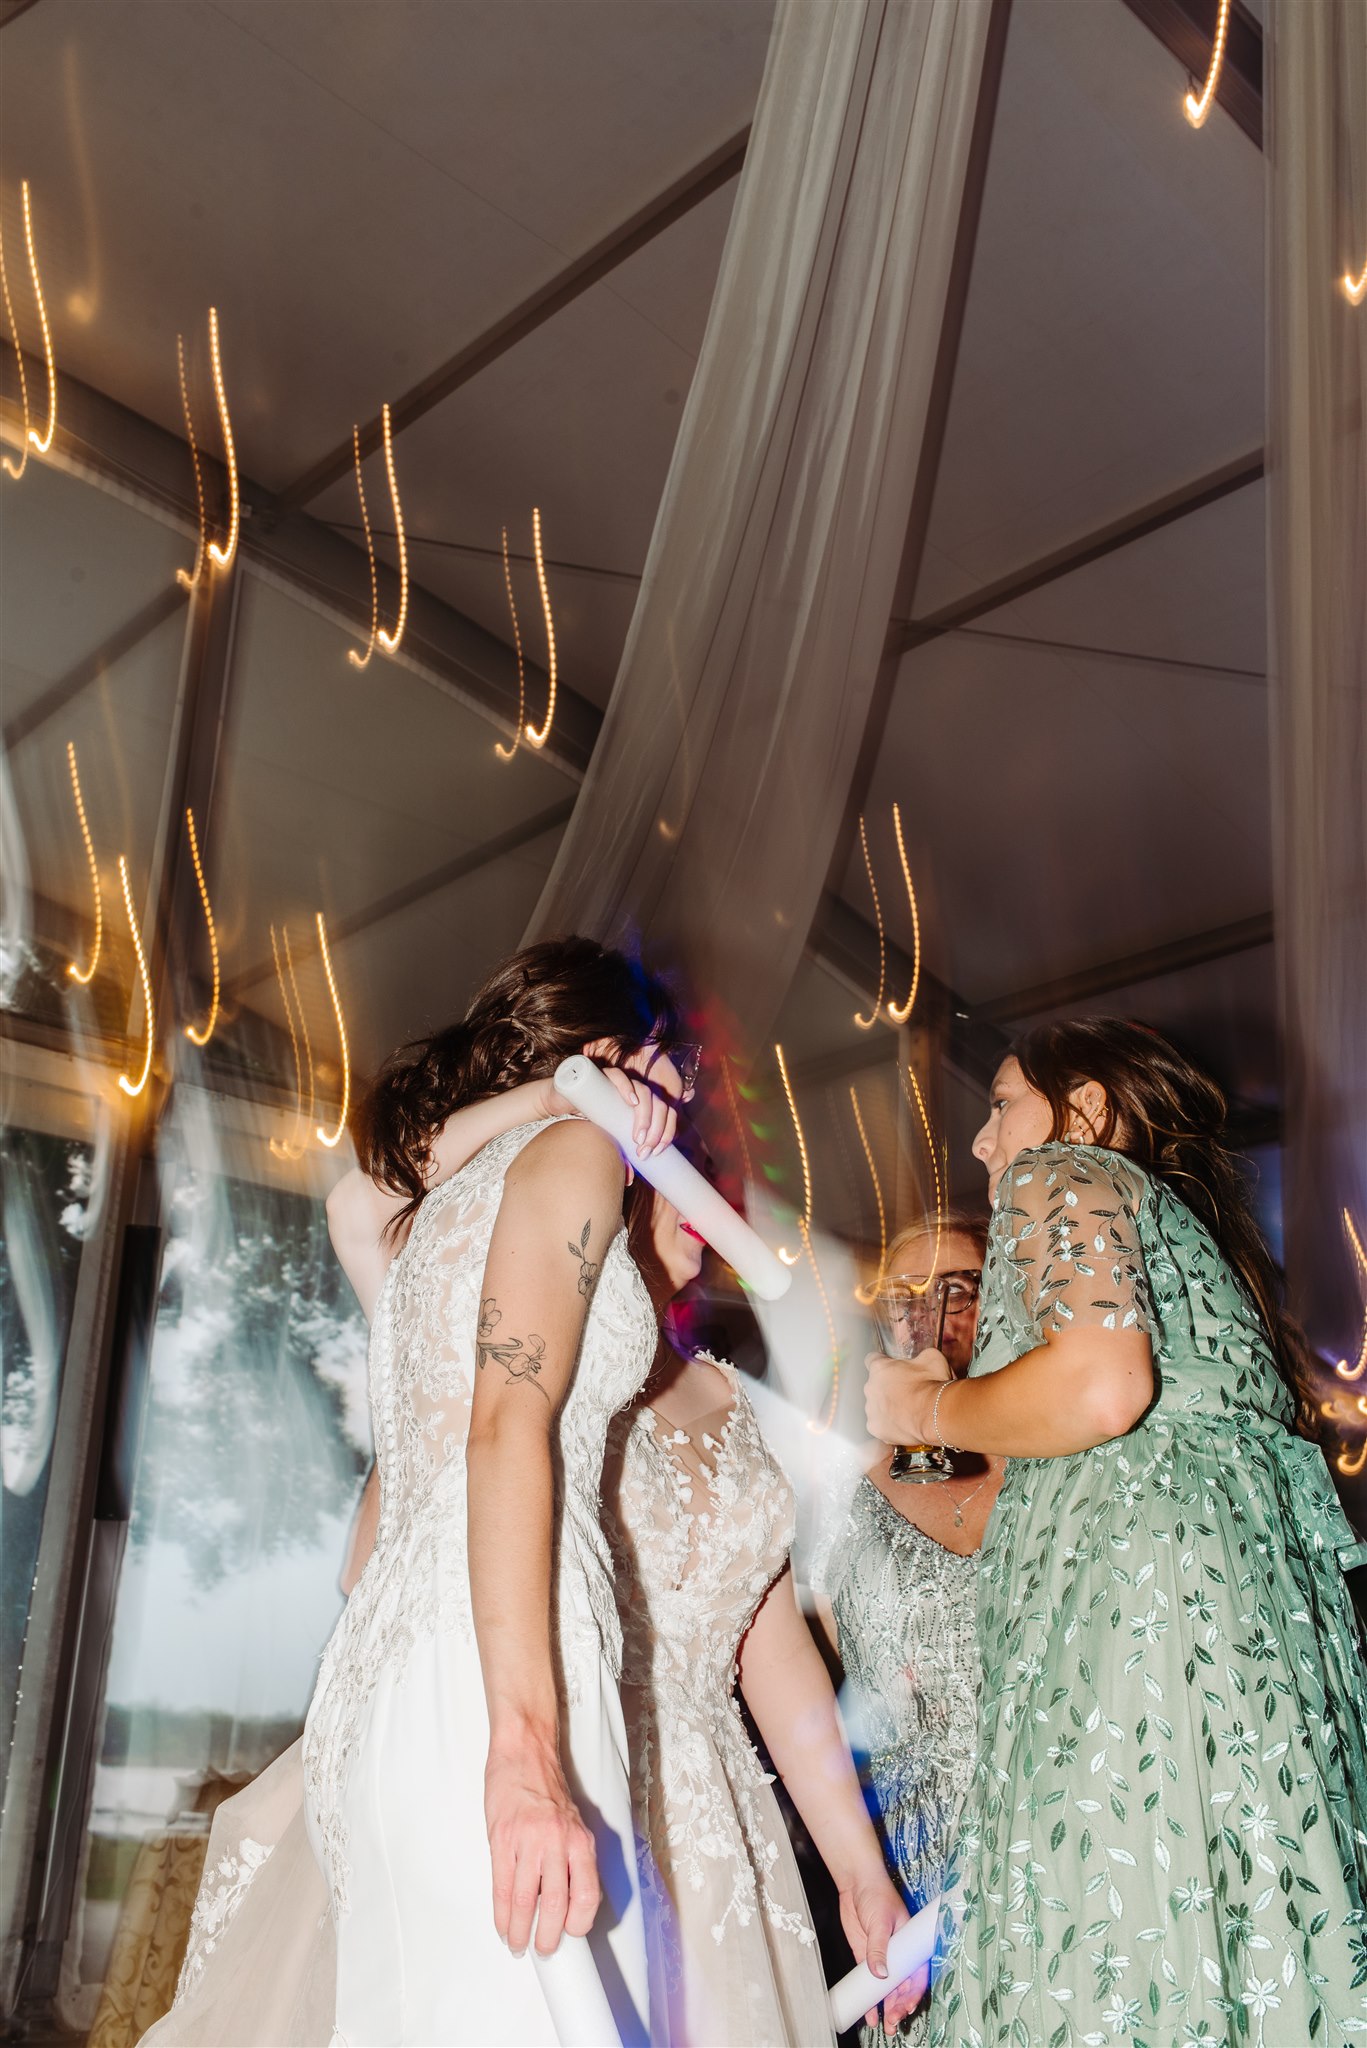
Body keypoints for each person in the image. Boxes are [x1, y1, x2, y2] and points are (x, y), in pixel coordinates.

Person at [205, 937, 688, 2048]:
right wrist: (523, 1748)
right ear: (611, 1055)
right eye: (663, 1070)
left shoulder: (433, 1212)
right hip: (496, 1669)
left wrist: (554, 1090)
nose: (677, 1106)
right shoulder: (574, 1154)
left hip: (390, 1675)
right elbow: (506, 1421)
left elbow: (351, 1198)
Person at [863, 1019, 1367, 2047]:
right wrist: (895, 1449)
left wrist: (920, 1414)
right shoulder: (1190, 1244)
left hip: (1128, 1646)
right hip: (1224, 1656)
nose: (980, 1140)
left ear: (1084, 1108)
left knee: (1109, 1948)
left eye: (1000, 1101)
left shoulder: (1064, 1171)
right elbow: (1006, 1499)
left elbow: (1098, 1385)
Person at [605, 1176, 919, 2046]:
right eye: (670, 1180)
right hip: (594, 1779)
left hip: (718, 1810)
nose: (705, 1211)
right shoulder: (540, 1381)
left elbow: (772, 1647)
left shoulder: (727, 1394)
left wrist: (859, 1870)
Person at [812, 1210, 1000, 2048]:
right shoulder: (833, 1498)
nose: (931, 1315)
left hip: (1027, 1832)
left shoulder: (1049, 1460)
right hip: (903, 1867)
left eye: (958, 1287)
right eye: (907, 1294)